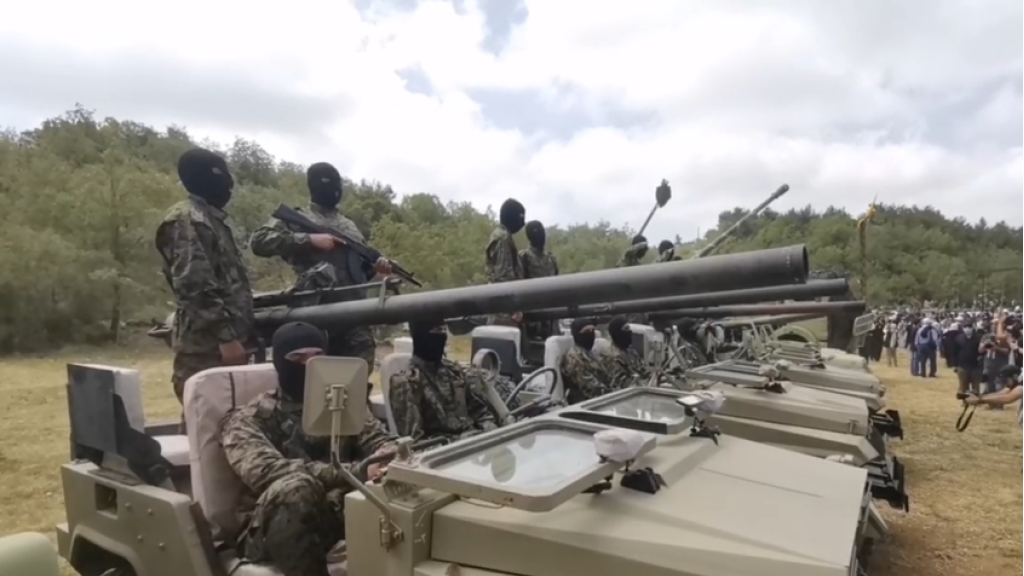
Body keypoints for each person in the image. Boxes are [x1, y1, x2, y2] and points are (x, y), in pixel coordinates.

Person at [221, 322, 396, 576]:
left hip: (337, 513)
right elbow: (266, 473)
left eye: (316, 357)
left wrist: (387, 459)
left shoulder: (342, 404)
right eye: (297, 358)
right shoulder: (247, 419)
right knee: (296, 488)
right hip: (272, 527)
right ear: (279, 362)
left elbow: (380, 441)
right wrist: (357, 471)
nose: (307, 365)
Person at [250, 162, 390, 374]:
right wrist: (309, 240)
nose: (334, 189)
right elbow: (259, 241)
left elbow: (359, 270)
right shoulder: (300, 217)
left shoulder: (349, 225)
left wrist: (376, 266)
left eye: (337, 183)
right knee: (313, 380)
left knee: (357, 377)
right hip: (314, 313)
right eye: (327, 182)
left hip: (353, 316)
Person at [155, 148, 255, 423]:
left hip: (224, 342)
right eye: (221, 175)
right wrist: (226, 338)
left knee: (231, 423)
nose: (228, 182)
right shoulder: (187, 220)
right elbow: (194, 285)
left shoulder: (210, 220)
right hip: (206, 346)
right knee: (205, 422)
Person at [388, 319, 499, 442]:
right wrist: (459, 441)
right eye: (436, 330)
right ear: (420, 335)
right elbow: (416, 443)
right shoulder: (406, 383)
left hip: (476, 443)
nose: (441, 336)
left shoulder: (454, 372)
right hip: (448, 450)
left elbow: (479, 412)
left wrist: (490, 431)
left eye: (443, 329)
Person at [485, 199, 525, 325]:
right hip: (503, 312)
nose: (523, 223)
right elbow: (504, 277)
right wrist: (514, 308)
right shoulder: (503, 238)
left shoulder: (501, 235)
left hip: (500, 307)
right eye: (521, 217)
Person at [518, 220, 559, 342]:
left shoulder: (551, 259)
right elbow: (519, 285)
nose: (540, 235)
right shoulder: (524, 256)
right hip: (532, 316)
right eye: (535, 232)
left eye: (541, 231)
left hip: (551, 316)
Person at [559, 318, 614, 403]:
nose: (591, 334)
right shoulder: (574, 358)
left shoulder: (590, 353)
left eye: (592, 331)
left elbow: (607, 377)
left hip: (602, 400)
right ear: (577, 334)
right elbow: (591, 389)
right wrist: (615, 392)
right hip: (585, 404)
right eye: (587, 331)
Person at [600, 316, 649, 387]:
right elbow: (622, 383)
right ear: (617, 332)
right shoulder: (612, 357)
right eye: (626, 329)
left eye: (629, 328)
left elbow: (644, 370)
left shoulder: (632, 352)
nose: (629, 332)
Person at [949, 321, 984, 394]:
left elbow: (983, 351)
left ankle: (975, 399)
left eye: (969, 326)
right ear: (963, 328)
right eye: (965, 327)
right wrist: (955, 365)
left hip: (976, 366)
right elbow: (954, 352)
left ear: (972, 328)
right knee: (963, 386)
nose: (967, 328)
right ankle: (964, 399)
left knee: (976, 386)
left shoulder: (979, 337)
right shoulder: (958, 338)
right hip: (962, 366)